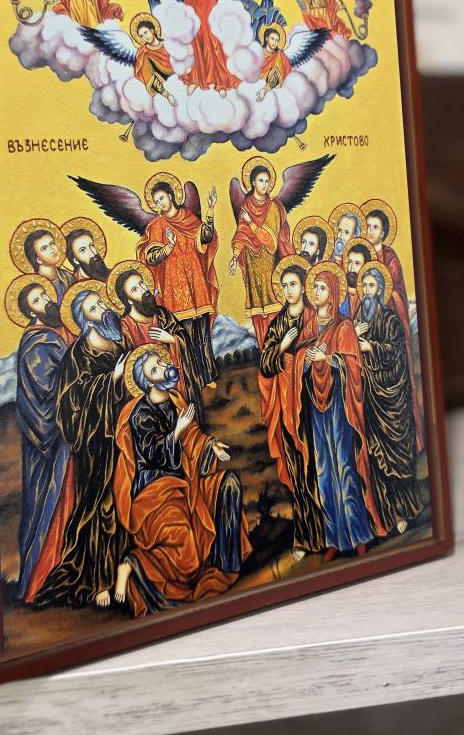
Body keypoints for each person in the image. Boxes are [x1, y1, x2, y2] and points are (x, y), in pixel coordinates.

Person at [113, 346, 251, 615]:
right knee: (184, 545)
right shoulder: (140, 414)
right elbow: (152, 455)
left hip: (186, 483)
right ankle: (133, 565)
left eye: (161, 363)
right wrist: (176, 432)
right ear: (147, 382)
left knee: (228, 485)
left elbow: (192, 437)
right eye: (154, 370)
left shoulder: (176, 401)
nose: (164, 369)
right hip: (155, 492)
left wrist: (209, 445)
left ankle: (226, 566)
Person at [32, 282, 129, 610]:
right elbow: (70, 403)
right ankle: (98, 580)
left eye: (101, 303)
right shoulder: (78, 354)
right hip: (95, 444)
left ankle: (122, 571)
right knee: (99, 507)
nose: (103, 309)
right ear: (84, 320)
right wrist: (110, 380)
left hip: (122, 437)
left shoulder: (120, 343)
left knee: (123, 501)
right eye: (93, 309)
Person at [295, 265, 386, 561]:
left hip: (339, 406)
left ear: (333, 294)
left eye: (321, 288)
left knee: (345, 466)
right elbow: (299, 360)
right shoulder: (309, 326)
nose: (316, 292)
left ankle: (358, 535)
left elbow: (354, 366)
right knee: (324, 469)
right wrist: (306, 361)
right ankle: (333, 538)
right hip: (316, 406)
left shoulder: (344, 327)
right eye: (314, 287)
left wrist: (329, 358)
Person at [8, 277, 71, 603]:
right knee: (48, 502)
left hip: (59, 434)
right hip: (51, 441)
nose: (46, 300)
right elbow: (43, 394)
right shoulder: (37, 343)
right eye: (37, 300)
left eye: (44, 294)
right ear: (29, 311)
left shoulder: (53, 335)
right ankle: (40, 578)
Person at [259, 258, 325, 561]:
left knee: (319, 469)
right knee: (299, 471)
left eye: (293, 284)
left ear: (303, 286)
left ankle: (329, 533)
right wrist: (283, 347)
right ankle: (305, 537)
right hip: (287, 405)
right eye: (284, 285)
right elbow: (265, 364)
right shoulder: (278, 324)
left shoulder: (314, 316)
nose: (288, 290)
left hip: (313, 403)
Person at [354, 265, 423, 535]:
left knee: (397, 458)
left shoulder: (391, 320)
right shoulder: (359, 319)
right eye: (364, 286)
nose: (366, 292)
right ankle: (388, 513)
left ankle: (406, 509)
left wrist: (371, 347)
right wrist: (354, 339)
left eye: (371, 286)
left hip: (392, 401)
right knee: (376, 458)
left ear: (381, 291)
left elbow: (396, 355)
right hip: (370, 399)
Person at [136, 176, 219, 393]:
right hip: (174, 285)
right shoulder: (157, 226)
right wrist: (167, 248)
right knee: (185, 331)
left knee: (202, 329)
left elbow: (206, 237)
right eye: (156, 201)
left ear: (171, 196)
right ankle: (191, 377)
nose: (160, 203)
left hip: (195, 280)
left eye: (162, 198)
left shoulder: (188, 217)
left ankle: (207, 375)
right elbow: (150, 257)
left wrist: (210, 211)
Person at [111, 262, 207, 421]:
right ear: (128, 300)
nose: (144, 290)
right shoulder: (125, 328)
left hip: (175, 378)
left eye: (142, 283)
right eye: (135, 289)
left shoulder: (162, 314)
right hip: (151, 391)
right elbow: (127, 367)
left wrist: (172, 339)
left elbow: (185, 339)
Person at [363, 203, 424, 452]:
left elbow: (397, 293)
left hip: (389, 330)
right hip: (369, 331)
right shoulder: (363, 255)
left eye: (375, 227)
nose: (370, 231)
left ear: (384, 232)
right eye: (367, 226)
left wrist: (383, 299)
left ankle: (408, 441)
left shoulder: (390, 258)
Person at [229, 162, 295, 347]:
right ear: (253, 182)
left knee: (274, 309)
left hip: (269, 264)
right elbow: (241, 233)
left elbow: (270, 241)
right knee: (258, 314)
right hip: (252, 266)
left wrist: (251, 223)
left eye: (267, 181)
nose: (264, 185)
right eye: (261, 180)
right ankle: (264, 352)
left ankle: (278, 350)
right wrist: (235, 256)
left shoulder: (273, 207)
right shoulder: (246, 205)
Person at [132, 17, 177, 105]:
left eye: (145, 32)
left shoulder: (168, 43)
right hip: (168, 89)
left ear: (152, 30)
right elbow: (150, 79)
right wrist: (168, 95)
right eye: (141, 36)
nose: (145, 37)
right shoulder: (145, 53)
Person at [22, 227, 74, 302]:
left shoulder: (68, 277)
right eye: (44, 248)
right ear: (38, 259)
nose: (52, 250)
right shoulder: (34, 286)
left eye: (52, 244)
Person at [340, 239, 374, 319]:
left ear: (365, 267)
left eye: (357, 263)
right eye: (349, 262)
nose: (351, 268)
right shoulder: (338, 295)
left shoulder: (370, 297)